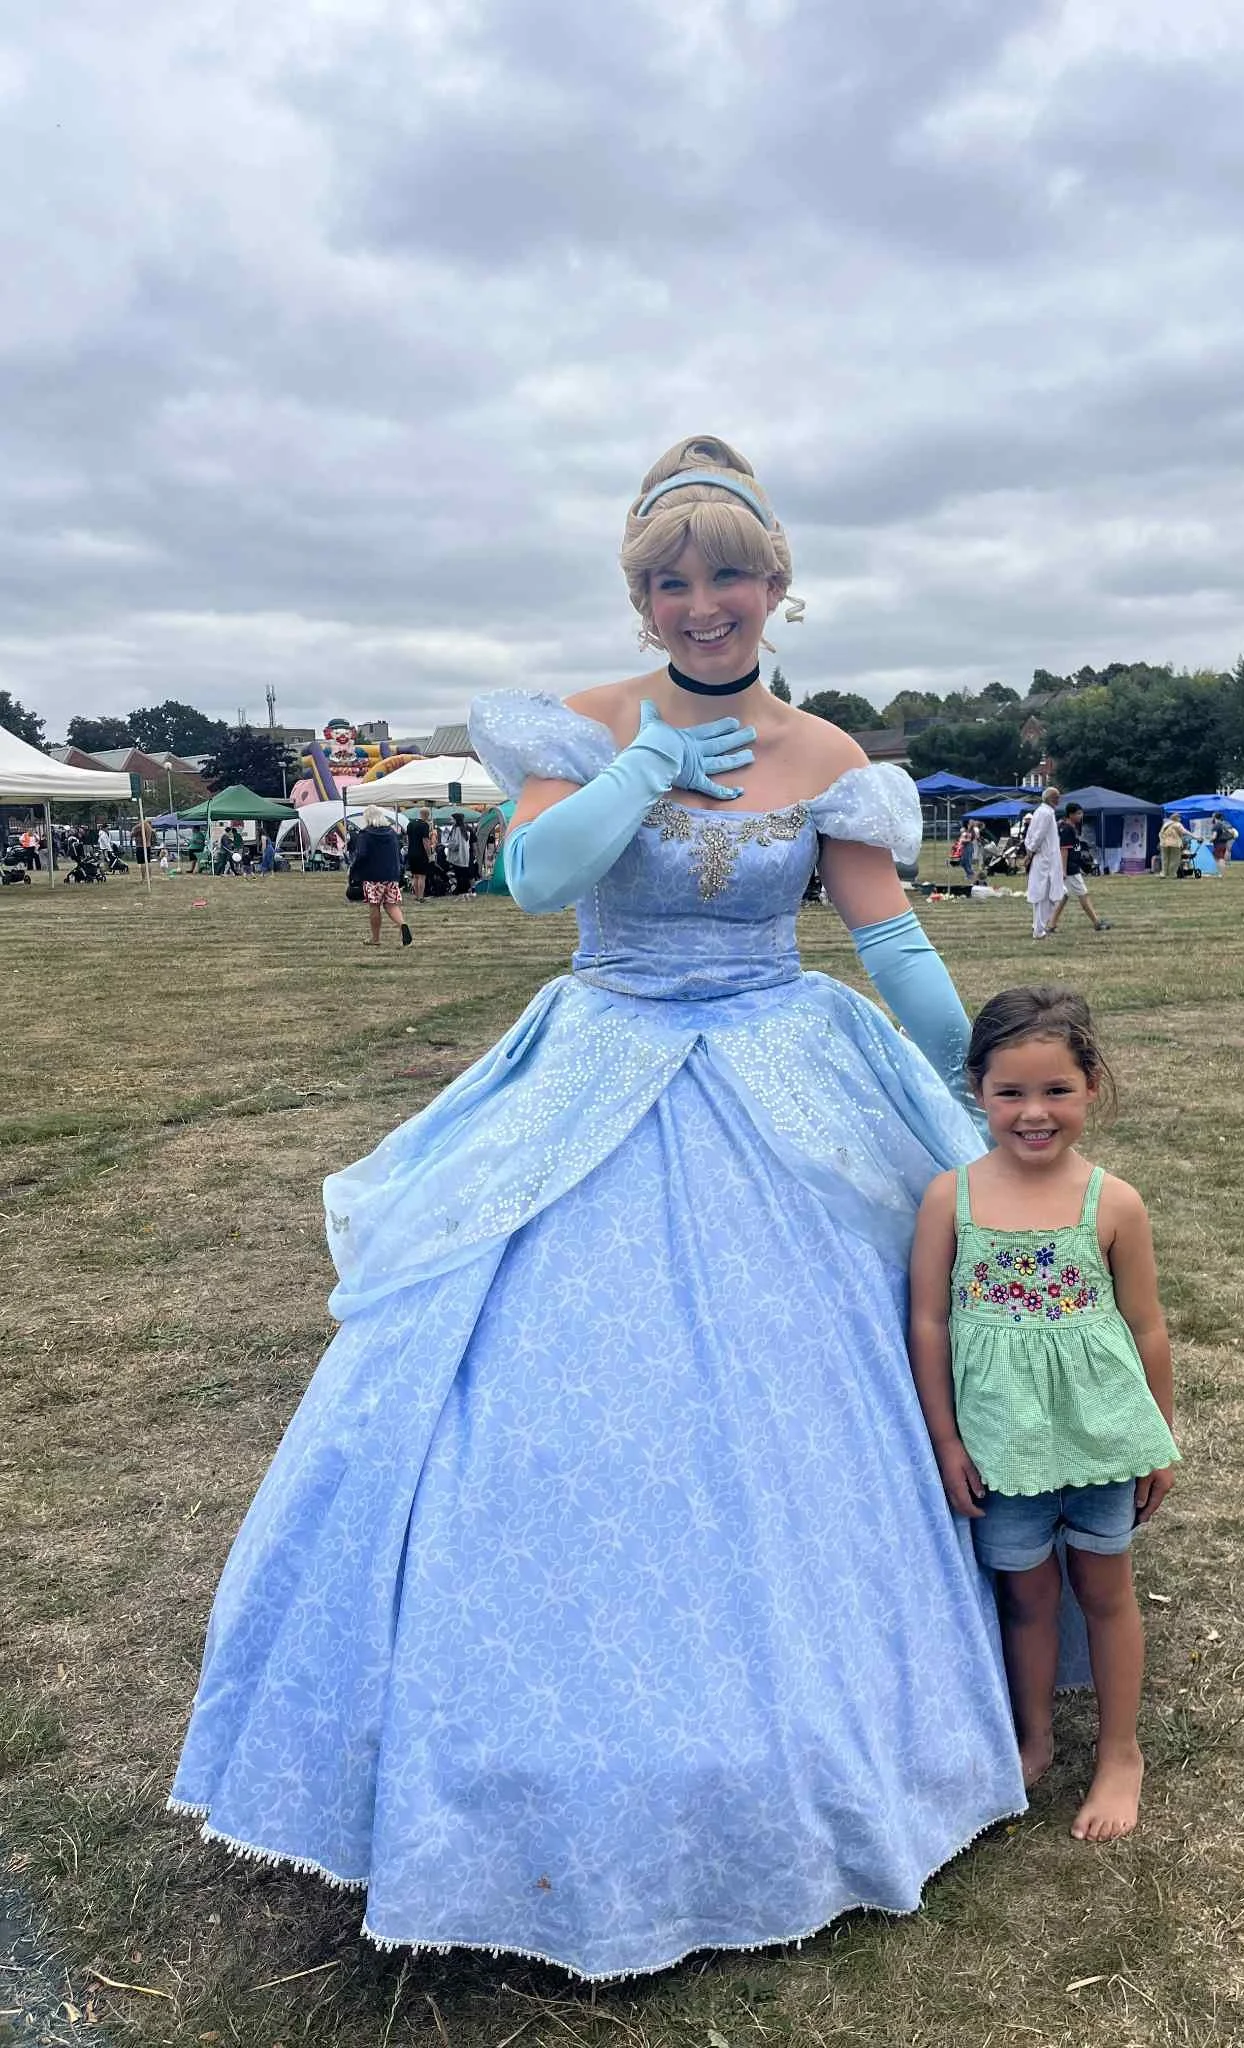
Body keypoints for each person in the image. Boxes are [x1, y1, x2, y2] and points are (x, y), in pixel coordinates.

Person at [168, 433, 1028, 1977]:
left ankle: (833, 1715)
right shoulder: (578, 723)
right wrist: (640, 769)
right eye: (670, 582)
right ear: (641, 599)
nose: (702, 604)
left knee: (820, 1383)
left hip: (779, 1060)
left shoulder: (829, 752)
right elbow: (539, 881)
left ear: (776, 585)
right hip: (604, 1052)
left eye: (729, 575)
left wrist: (973, 1086)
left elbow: (887, 939)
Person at [908, 986, 1179, 1843]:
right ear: (977, 1090)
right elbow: (929, 1322)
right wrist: (946, 1439)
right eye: (1011, 1092)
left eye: (1057, 1090)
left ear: (1091, 1085)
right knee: (1025, 1599)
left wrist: (1159, 1439)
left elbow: (1147, 1327)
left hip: (1102, 1441)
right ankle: (1032, 1740)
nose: (1034, 1112)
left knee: (1105, 1590)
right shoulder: (949, 1200)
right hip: (1001, 1447)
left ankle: (1120, 1753)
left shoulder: (1115, 1203)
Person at [348, 803, 411, 946]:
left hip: (373, 876)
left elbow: (361, 855)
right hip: (391, 875)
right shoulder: (391, 833)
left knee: (374, 906)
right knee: (391, 904)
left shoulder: (365, 834)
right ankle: (402, 924)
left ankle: (375, 939)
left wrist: (354, 869)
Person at [1048, 804, 1110, 933]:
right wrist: (1064, 870)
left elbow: (1075, 848)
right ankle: (1096, 923)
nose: (1081, 816)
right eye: (1078, 813)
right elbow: (1064, 850)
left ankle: (1052, 924)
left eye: (1081, 813)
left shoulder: (1072, 828)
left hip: (1073, 864)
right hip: (1070, 868)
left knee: (1064, 896)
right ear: (1070, 815)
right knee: (1083, 894)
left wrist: (1081, 863)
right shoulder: (1067, 829)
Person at [1024, 787, 1064, 939]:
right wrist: (1030, 852)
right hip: (1046, 859)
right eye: (1057, 797)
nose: (1059, 800)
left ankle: (1038, 926)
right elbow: (1038, 835)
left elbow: (1031, 834)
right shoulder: (1046, 813)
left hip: (1044, 857)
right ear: (1051, 799)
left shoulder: (1041, 812)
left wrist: (1029, 850)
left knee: (1044, 894)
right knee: (1046, 895)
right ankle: (1039, 929)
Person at [405, 804, 434, 900]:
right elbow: (425, 841)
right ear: (427, 815)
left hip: (411, 852)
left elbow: (408, 839)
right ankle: (421, 897)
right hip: (421, 853)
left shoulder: (410, 824)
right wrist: (429, 854)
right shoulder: (424, 825)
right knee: (421, 876)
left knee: (415, 876)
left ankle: (416, 896)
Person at [444, 812, 475, 896]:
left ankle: (461, 890)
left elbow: (456, 844)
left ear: (456, 820)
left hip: (458, 856)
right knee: (463, 873)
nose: (451, 821)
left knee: (459, 874)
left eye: (452, 819)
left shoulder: (457, 829)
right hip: (465, 855)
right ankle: (464, 890)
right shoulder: (465, 829)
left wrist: (447, 845)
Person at [1157, 812, 1186, 880]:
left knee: (1164, 859)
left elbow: (1160, 833)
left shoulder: (1165, 824)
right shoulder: (1178, 824)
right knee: (1174, 859)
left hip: (1164, 844)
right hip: (1175, 844)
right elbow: (1182, 833)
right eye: (1179, 818)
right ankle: (1172, 874)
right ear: (1176, 818)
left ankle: (1163, 873)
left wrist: (1162, 841)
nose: (1180, 819)